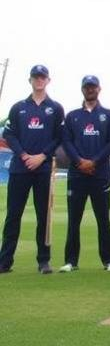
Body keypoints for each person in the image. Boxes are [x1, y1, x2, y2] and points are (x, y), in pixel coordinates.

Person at [0, 65, 64, 274]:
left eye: (42, 77)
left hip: (43, 169)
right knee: (13, 215)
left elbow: (59, 137)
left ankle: (43, 261)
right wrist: (24, 155)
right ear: (30, 80)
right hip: (21, 168)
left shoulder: (55, 108)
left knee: (43, 216)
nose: (39, 80)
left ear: (48, 80)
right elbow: (9, 135)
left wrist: (42, 156)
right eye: (36, 77)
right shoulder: (18, 107)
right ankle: (5, 261)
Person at [60, 75, 110, 272]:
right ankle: (71, 261)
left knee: (103, 218)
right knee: (73, 219)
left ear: (99, 89)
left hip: (100, 173)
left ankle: (108, 261)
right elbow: (67, 142)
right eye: (87, 87)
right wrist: (79, 162)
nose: (90, 90)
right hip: (77, 174)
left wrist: (93, 162)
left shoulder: (108, 115)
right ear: (82, 89)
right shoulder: (72, 115)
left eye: (93, 87)